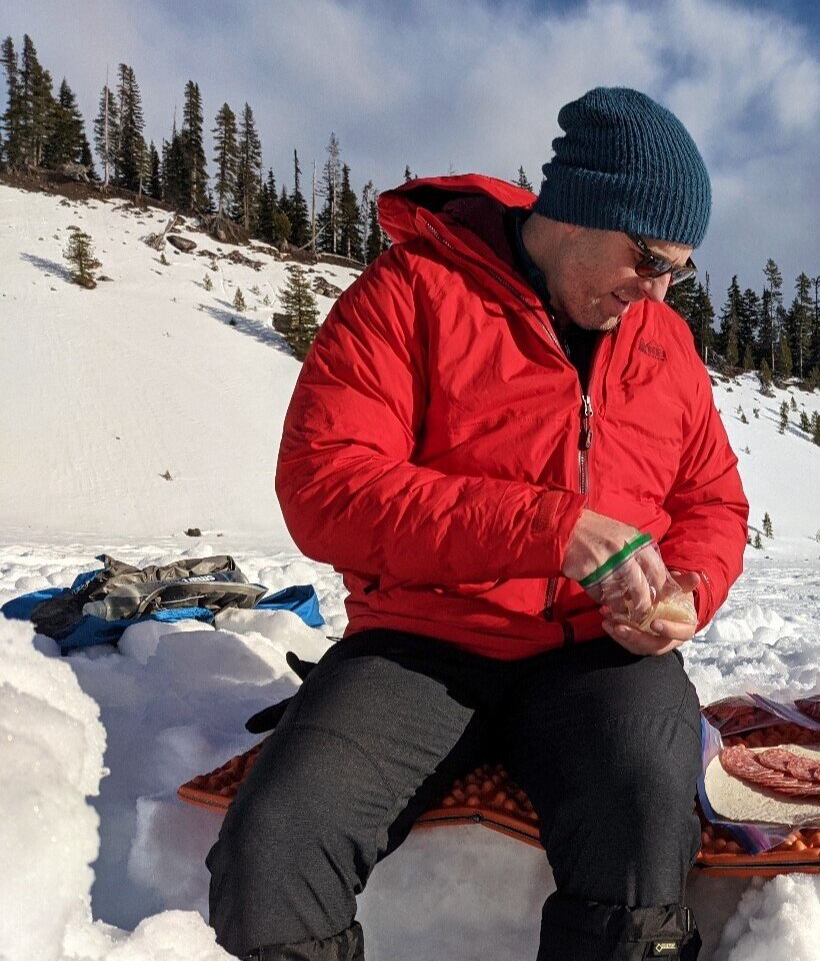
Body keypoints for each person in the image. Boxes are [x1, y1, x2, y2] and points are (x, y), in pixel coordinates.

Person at [206, 87, 749, 961]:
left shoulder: (665, 345)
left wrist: (689, 588)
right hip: (422, 644)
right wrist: (544, 528)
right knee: (276, 844)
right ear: (577, 211)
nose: (655, 291)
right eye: (647, 259)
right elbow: (325, 485)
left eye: (676, 271)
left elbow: (712, 501)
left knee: (645, 816)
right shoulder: (414, 292)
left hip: (593, 653)